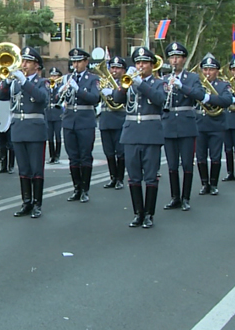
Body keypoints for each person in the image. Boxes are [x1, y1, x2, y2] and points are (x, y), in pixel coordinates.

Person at [112, 47, 167, 228]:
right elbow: (117, 99)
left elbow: (160, 99)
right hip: (131, 134)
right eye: (137, 63)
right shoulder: (129, 82)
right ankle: (138, 213)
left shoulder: (159, 83)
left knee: (150, 177)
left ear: (152, 65)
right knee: (133, 177)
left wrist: (140, 84)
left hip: (151, 134)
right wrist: (124, 84)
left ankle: (149, 214)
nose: (140, 66)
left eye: (144, 63)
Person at [0, 47, 48, 218]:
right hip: (18, 128)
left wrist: (24, 82)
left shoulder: (42, 82)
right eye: (22, 61)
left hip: (35, 130)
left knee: (36, 169)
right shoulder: (15, 82)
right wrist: (6, 81)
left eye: (27, 62)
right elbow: (0, 96)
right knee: (24, 169)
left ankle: (37, 204)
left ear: (36, 65)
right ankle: (26, 202)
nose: (23, 65)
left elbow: (42, 99)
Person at [161, 42, 205, 211]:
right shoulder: (164, 79)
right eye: (172, 57)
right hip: (169, 124)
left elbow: (200, 95)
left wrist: (182, 86)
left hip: (186, 124)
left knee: (187, 163)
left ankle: (186, 197)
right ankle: (175, 197)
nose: (174, 61)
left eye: (178, 57)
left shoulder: (192, 78)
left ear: (184, 59)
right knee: (172, 164)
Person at [60, 48, 100, 203]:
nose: (75, 65)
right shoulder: (67, 78)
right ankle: (76, 188)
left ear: (86, 62)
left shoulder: (92, 79)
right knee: (73, 157)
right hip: (69, 120)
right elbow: (58, 98)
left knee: (85, 156)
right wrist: (60, 92)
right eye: (73, 61)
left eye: (78, 61)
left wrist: (78, 90)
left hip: (85, 121)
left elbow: (94, 98)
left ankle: (85, 189)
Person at [194, 54, 233, 196]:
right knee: (201, 156)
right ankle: (205, 183)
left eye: (211, 70)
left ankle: (214, 184)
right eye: (205, 70)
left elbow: (227, 100)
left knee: (215, 156)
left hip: (216, 125)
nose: (207, 73)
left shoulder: (223, 85)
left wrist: (209, 98)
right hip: (200, 124)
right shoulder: (198, 85)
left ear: (217, 71)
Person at [98, 56, 127, 189]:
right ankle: (112, 177)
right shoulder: (104, 81)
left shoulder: (126, 82)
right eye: (112, 68)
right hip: (105, 120)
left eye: (118, 68)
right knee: (108, 152)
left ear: (123, 70)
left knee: (120, 152)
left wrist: (113, 92)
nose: (114, 70)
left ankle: (120, 178)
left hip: (120, 119)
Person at [45, 67, 63, 164]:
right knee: (50, 136)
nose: (53, 77)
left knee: (58, 135)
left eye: (55, 76)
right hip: (49, 113)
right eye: (52, 75)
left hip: (57, 113)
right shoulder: (47, 87)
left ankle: (57, 155)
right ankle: (51, 155)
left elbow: (60, 98)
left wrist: (57, 88)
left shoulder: (60, 87)